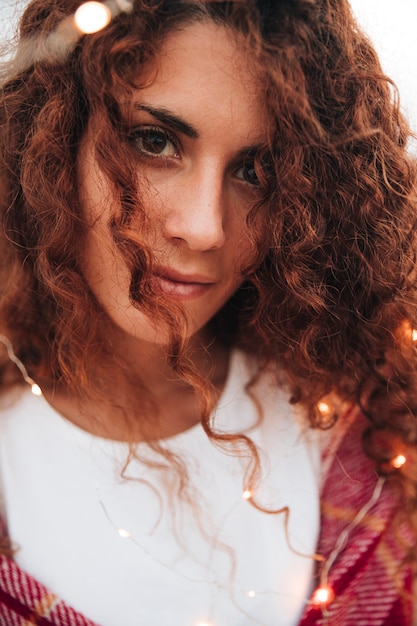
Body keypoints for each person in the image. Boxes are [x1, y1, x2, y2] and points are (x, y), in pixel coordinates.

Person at [0, 0, 416, 624]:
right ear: (54, 142)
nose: (203, 228)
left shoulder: (364, 434)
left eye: (256, 169)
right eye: (154, 142)